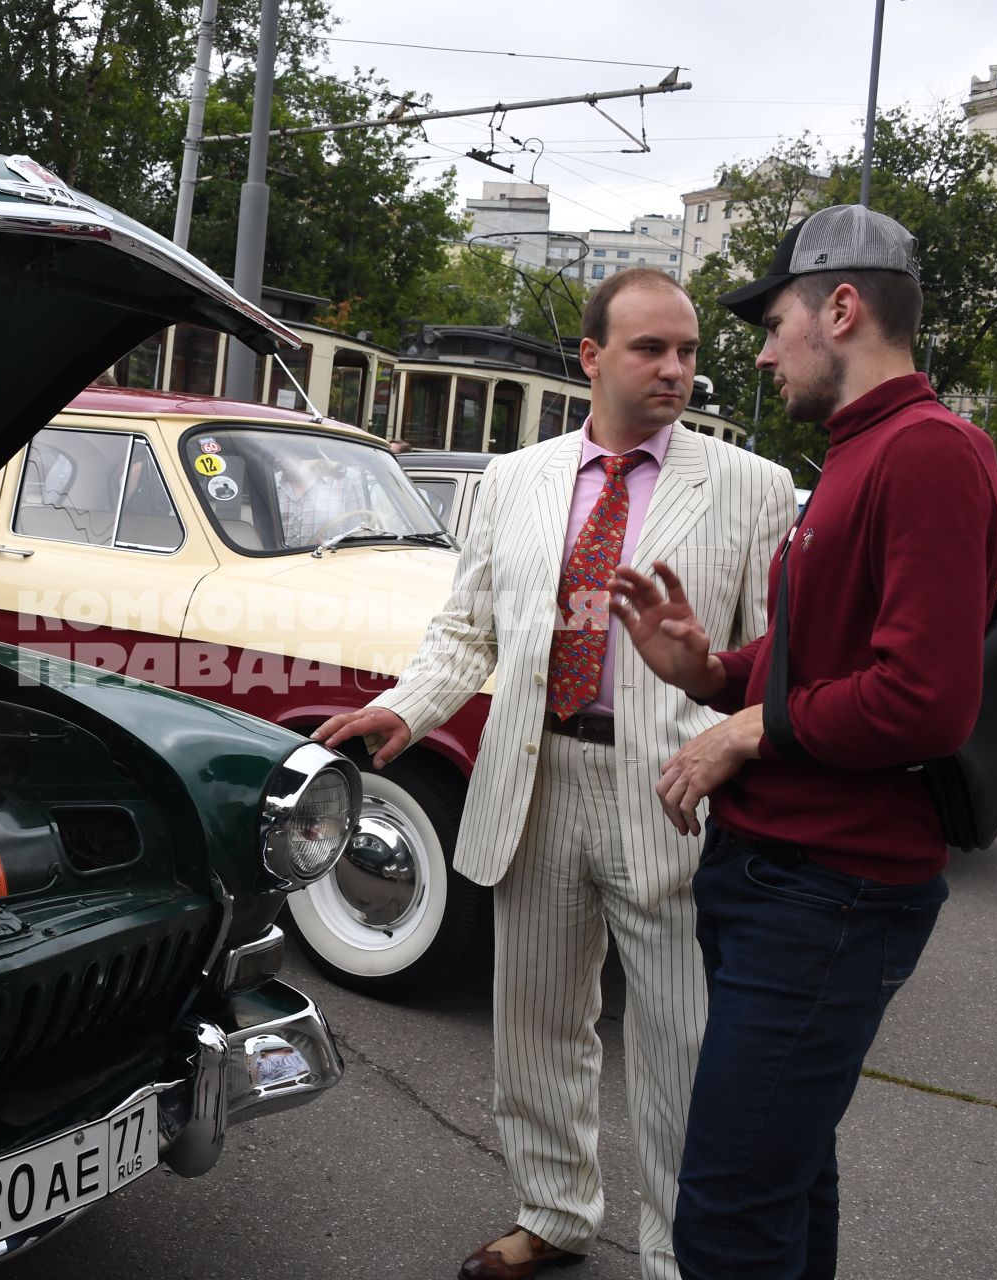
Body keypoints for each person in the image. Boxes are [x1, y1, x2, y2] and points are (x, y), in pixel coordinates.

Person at [314, 266, 794, 1280]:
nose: (676, 369)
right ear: (591, 357)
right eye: (649, 348)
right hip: (533, 783)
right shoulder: (513, 480)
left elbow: (778, 658)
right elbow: (465, 633)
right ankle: (555, 1208)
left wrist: (737, 741)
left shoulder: (751, 488)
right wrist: (408, 706)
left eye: (689, 351)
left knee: (678, 1043)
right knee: (534, 1023)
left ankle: (678, 1249)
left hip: (669, 796)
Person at [607, 205, 997, 1280]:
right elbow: (823, 655)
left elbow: (924, 700)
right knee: (786, 1180)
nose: (764, 351)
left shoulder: (926, 452)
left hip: (829, 894)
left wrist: (748, 728)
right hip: (786, 879)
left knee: (729, 1215)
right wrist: (710, 668)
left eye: (776, 323)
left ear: (842, 307)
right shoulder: (864, 450)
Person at [273, 444, 365, 545]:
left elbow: (359, 535)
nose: (278, 458)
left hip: (330, 559)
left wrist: (329, 546)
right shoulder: (270, 482)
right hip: (277, 560)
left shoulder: (347, 480)